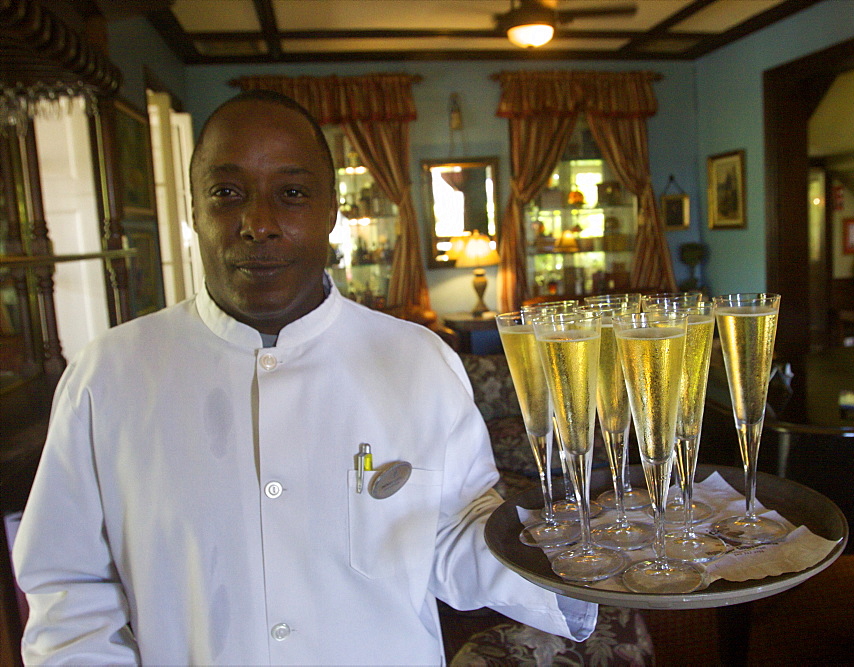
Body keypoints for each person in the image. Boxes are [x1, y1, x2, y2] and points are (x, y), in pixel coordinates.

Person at [12, 90, 597, 665]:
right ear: (193, 211)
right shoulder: (109, 375)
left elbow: (452, 535)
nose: (258, 223)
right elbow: (73, 590)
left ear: (332, 211)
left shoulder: (418, 360)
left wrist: (592, 554)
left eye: (291, 193)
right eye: (226, 192)